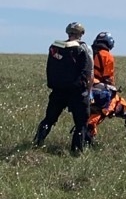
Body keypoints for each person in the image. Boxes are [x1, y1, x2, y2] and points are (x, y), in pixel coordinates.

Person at [34, 22, 94, 153]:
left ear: (68, 32)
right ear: (81, 34)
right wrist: (89, 93)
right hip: (78, 92)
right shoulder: (84, 48)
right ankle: (77, 151)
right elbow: (89, 72)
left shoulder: (56, 47)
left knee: (49, 119)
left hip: (58, 90)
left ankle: (37, 143)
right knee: (81, 123)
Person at [87, 32, 126, 144]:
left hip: (82, 86)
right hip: (97, 88)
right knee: (110, 105)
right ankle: (89, 131)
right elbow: (108, 78)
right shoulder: (107, 56)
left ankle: (87, 133)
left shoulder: (87, 52)